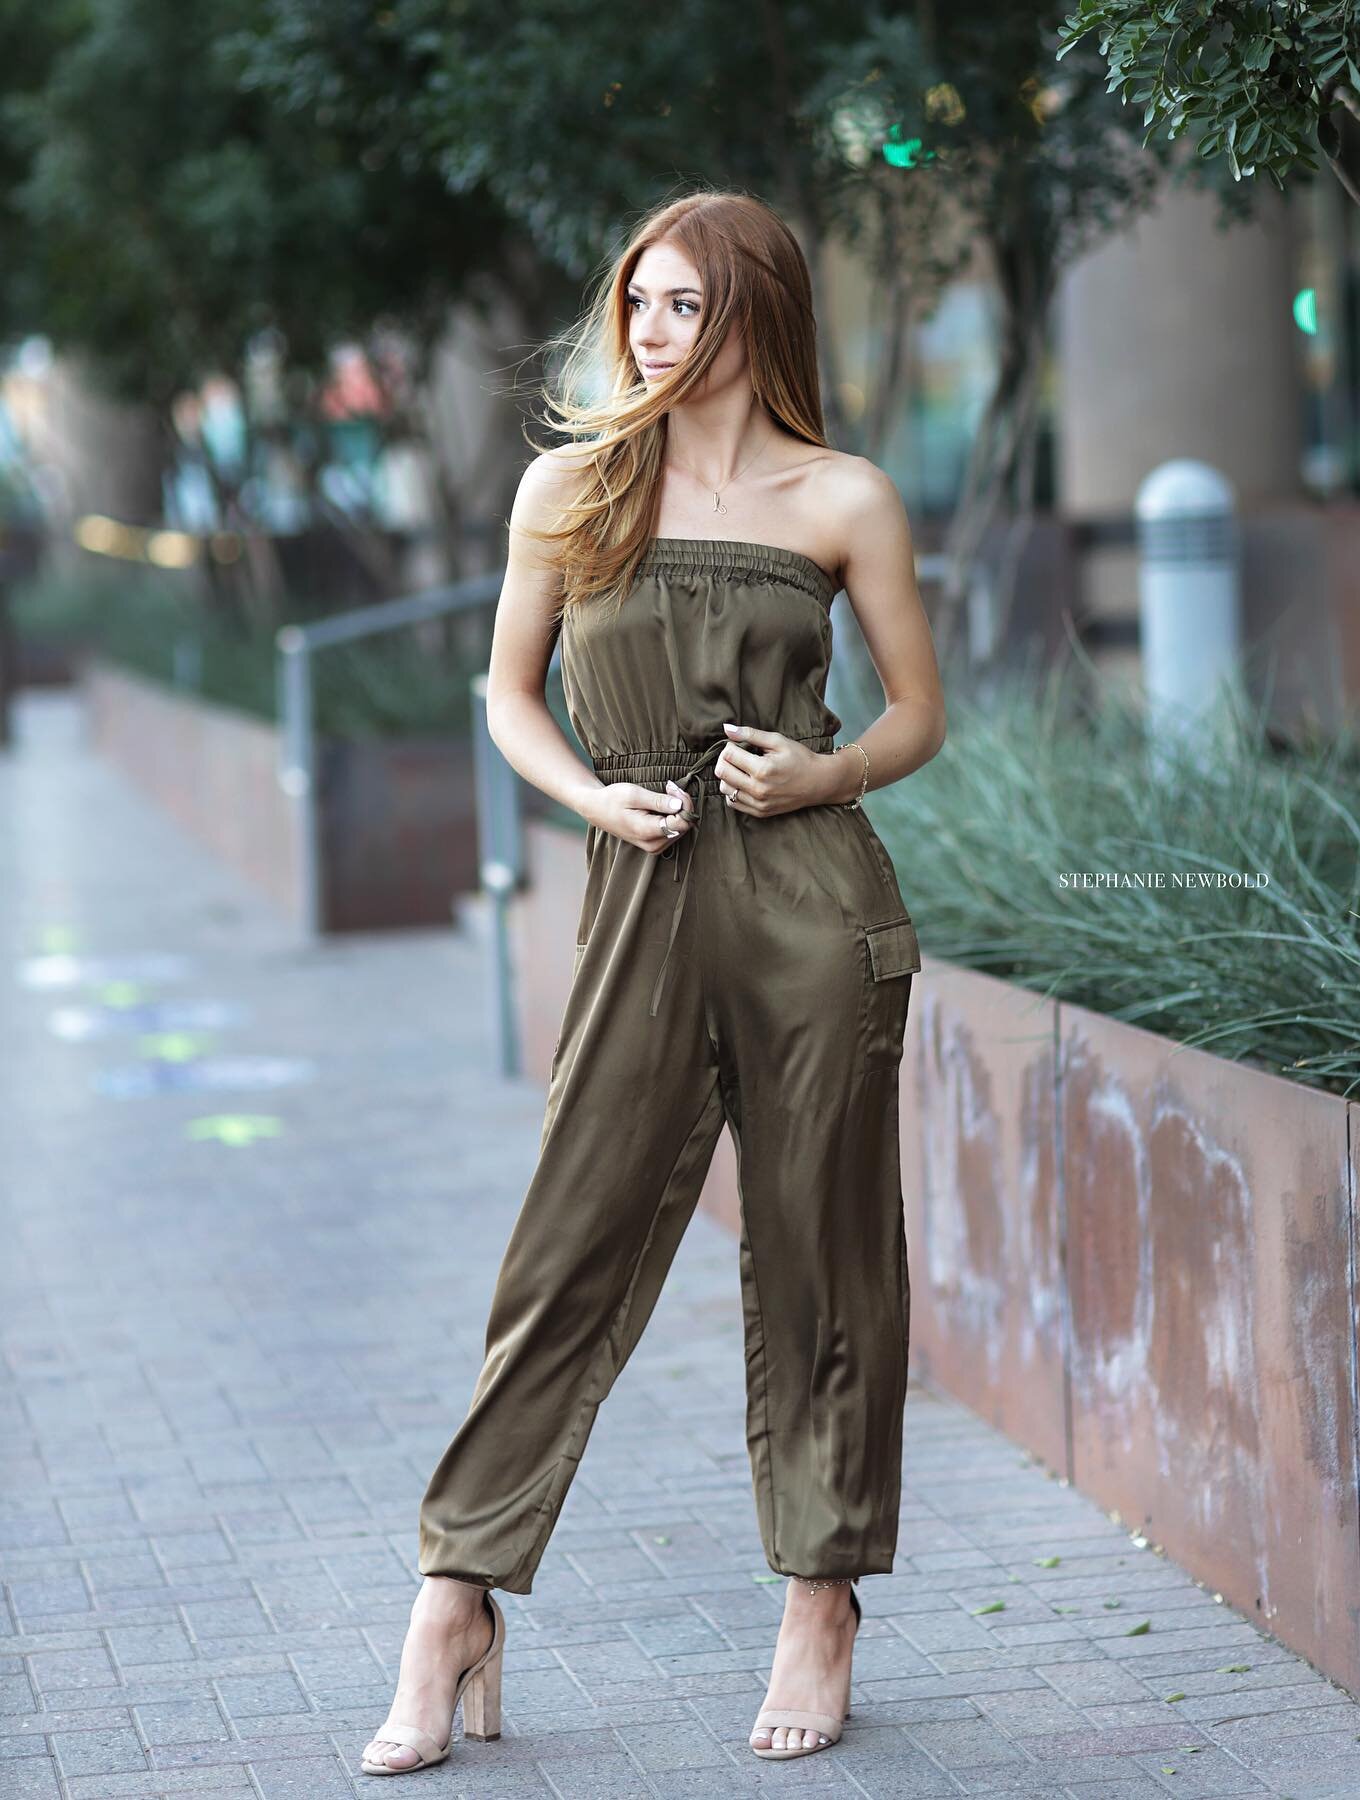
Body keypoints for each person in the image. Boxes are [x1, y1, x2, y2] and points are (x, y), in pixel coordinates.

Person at [362, 186, 945, 1777]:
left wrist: (823, 782)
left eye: (686, 305)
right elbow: (503, 697)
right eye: (640, 303)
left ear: (757, 314)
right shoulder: (572, 486)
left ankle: (820, 1598)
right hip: (639, 892)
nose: (651, 332)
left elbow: (915, 719)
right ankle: (452, 1598)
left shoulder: (844, 499)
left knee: (829, 1254)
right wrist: (595, 797)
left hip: (812, 908)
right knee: (568, 1246)